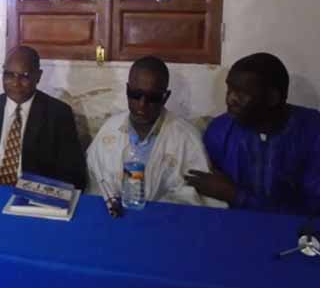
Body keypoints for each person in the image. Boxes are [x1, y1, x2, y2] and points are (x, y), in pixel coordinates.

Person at [186, 52, 320, 216]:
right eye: (230, 89)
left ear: (272, 98)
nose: (230, 99)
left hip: (301, 230)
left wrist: (236, 196)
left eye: (242, 93)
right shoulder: (220, 130)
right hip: (231, 224)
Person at [87, 56, 223, 211]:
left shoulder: (186, 139)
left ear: (165, 97)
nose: (142, 104)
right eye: (135, 94)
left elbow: (198, 202)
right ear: (127, 90)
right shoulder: (110, 129)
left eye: (153, 98)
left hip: (165, 220)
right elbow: (94, 181)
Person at [0, 45, 86, 188]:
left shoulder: (58, 114)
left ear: (38, 76)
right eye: (9, 75)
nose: (16, 83)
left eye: (25, 76)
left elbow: (72, 172)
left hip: (31, 193)